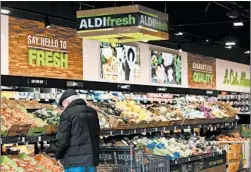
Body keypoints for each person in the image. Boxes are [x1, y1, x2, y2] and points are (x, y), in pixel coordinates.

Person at [46, 89, 100, 172]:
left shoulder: (67, 114)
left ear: (66, 103)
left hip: (74, 162)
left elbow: (62, 140)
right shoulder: (93, 112)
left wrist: (58, 156)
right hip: (91, 161)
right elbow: (97, 135)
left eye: (63, 106)